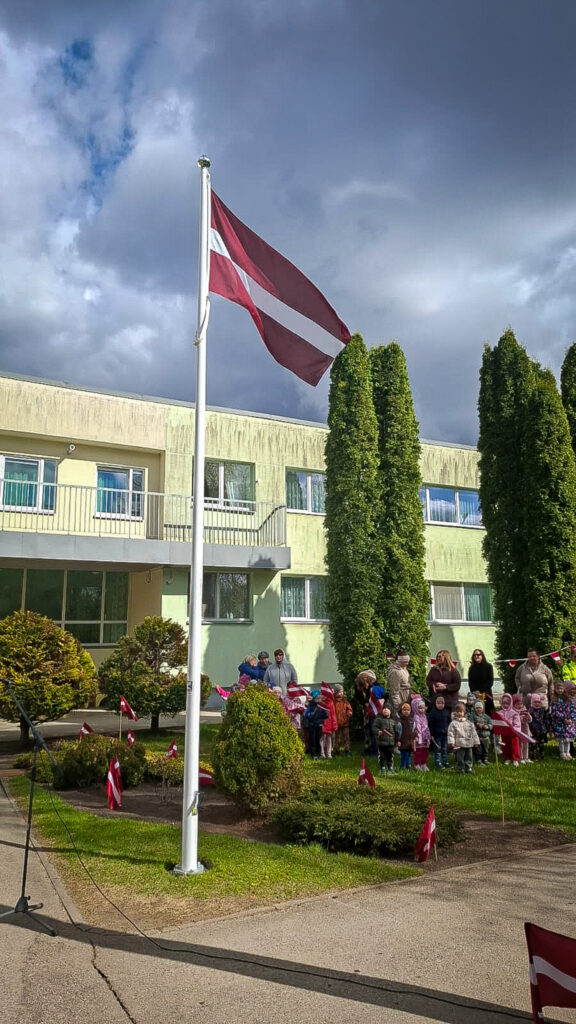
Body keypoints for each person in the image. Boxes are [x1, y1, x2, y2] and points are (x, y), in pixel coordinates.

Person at [447, 701, 480, 774]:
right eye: (457, 711)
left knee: (469, 757)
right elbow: (451, 733)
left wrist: (476, 742)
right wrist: (451, 742)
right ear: (455, 712)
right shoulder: (453, 723)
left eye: (461, 711)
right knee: (460, 757)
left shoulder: (469, 723)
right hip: (460, 744)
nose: (459, 713)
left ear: (464, 712)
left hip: (469, 743)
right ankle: (460, 768)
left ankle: (468, 768)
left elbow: (474, 733)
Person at [549, 680, 576, 760]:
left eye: (561, 688)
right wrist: (563, 718)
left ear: (564, 689)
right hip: (559, 722)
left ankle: (568, 753)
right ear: (555, 690)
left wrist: (571, 718)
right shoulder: (554, 700)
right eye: (558, 688)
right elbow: (554, 711)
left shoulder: (568, 699)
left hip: (568, 723)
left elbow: (573, 709)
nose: (560, 690)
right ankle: (562, 753)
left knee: (568, 739)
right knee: (561, 739)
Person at [373, 705, 400, 775]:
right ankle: (382, 768)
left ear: (391, 711)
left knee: (390, 756)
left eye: (387, 709)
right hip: (381, 743)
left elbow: (396, 732)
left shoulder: (393, 721)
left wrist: (397, 741)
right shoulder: (379, 720)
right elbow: (374, 727)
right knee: (382, 756)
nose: (385, 710)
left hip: (391, 743)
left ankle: (390, 768)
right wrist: (378, 731)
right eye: (384, 708)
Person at [468, 649, 495, 717]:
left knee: (488, 713)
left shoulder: (488, 666)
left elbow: (490, 681)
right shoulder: (471, 668)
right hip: (475, 695)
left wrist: (481, 691)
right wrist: (475, 691)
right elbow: (470, 682)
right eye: (474, 655)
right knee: (477, 714)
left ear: (482, 656)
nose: (476, 656)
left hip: (486, 694)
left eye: (478, 655)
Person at [355, 669, 376, 754]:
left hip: (374, 708)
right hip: (366, 709)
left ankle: (375, 747)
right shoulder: (358, 686)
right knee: (366, 727)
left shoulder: (373, 684)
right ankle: (368, 746)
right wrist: (364, 703)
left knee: (373, 727)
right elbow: (357, 696)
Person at [427, 694, 451, 770]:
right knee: (438, 749)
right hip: (436, 735)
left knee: (445, 749)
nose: (440, 705)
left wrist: (449, 732)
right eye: (438, 703)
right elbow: (430, 724)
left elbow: (449, 722)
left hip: (445, 734)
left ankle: (445, 761)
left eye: (442, 703)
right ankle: (438, 762)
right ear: (435, 703)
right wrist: (431, 734)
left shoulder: (446, 712)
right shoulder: (432, 713)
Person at [498, 693, 521, 766]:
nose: (505, 705)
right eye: (503, 703)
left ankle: (515, 759)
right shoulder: (500, 713)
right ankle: (507, 758)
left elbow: (517, 723)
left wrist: (515, 730)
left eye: (507, 703)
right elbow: (497, 722)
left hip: (513, 733)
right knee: (505, 746)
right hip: (504, 733)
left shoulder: (514, 713)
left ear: (510, 703)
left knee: (514, 746)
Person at [305, 690, 328, 759]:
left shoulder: (322, 705)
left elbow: (326, 715)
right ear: (314, 698)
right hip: (312, 725)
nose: (319, 699)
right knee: (313, 740)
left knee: (318, 740)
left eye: (320, 698)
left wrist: (325, 713)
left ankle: (319, 753)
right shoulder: (311, 705)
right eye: (317, 698)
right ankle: (313, 754)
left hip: (319, 725)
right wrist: (311, 714)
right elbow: (307, 714)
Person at [411, 696, 431, 771]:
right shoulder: (416, 717)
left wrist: (428, 736)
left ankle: (423, 763)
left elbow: (426, 726)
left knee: (425, 751)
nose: (422, 710)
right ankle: (416, 764)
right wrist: (416, 736)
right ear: (415, 708)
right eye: (420, 708)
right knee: (418, 751)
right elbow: (416, 727)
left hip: (425, 737)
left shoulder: (424, 716)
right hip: (418, 737)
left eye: (423, 708)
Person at [471, 698, 493, 765]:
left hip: (485, 737)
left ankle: (485, 759)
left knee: (485, 749)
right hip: (477, 736)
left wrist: (488, 726)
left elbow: (491, 724)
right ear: (474, 708)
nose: (478, 709)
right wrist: (476, 725)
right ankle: (479, 760)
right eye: (477, 708)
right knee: (478, 749)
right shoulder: (473, 716)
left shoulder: (487, 717)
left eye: (480, 708)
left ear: (483, 709)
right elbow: (470, 723)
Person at [333, 684, 353, 755]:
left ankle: (347, 750)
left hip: (345, 722)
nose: (341, 693)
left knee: (346, 737)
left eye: (342, 691)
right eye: (339, 692)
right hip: (336, 722)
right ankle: (336, 750)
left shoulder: (345, 701)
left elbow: (349, 708)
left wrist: (349, 712)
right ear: (336, 692)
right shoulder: (333, 701)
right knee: (337, 737)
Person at [512, 693, 532, 764]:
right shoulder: (513, 712)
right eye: (517, 704)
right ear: (513, 704)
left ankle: (526, 757)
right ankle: (521, 758)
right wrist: (523, 719)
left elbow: (530, 720)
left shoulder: (525, 710)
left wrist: (528, 717)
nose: (520, 706)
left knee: (526, 744)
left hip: (526, 730)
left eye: (521, 704)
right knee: (520, 745)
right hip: (519, 731)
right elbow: (516, 721)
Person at [528, 693, 548, 761]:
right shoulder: (530, 710)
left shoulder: (543, 710)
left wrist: (547, 728)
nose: (537, 704)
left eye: (538, 702)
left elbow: (545, 719)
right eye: (535, 702)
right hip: (532, 730)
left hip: (541, 730)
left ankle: (541, 756)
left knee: (541, 744)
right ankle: (532, 756)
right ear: (531, 702)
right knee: (532, 744)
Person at [319, 689, 338, 758]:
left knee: (329, 738)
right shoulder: (319, 703)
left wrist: (334, 724)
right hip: (321, 723)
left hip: (329, 724)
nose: (323, 696)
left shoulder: (330, 703)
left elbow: (333, 715)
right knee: (321, 738)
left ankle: (329, 753)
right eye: (322, 695)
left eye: (325, 695)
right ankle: (322, 753)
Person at [398, 702, 415, 770]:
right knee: (404, 755)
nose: (406, 711)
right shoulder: (400, 720)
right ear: (401, 711)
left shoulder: (412, 720)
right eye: (404, 710)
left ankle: (408, 765)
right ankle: (403, 766)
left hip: (410, 741)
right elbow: (398, 731)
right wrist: (398, 740)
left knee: (409, 754)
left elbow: (415, 729)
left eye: (408, 710)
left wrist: (415, 736)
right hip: (403, 741)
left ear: (410, 711)